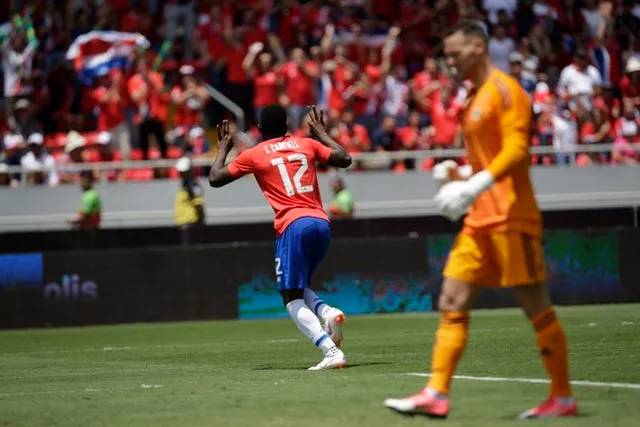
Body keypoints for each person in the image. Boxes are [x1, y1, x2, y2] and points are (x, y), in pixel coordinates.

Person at [384, 21, 577, 419]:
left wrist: (474, 186)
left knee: (535, 306)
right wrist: (458, 173)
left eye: (454, 53)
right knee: (451, 300)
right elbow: (487, 159)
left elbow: (518, 150)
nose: (449, 61)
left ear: (478, 47)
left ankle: (562, 397)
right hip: (480, 219)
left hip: (511, 215)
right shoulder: (473, 96)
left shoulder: (506, 90)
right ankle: (436, 394)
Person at [208, 105, 352, 370]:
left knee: (290, 297)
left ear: (260, 130)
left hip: (292, 224)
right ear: (287, 124)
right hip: (321, 222)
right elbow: (344, 158)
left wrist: (223, 150)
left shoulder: (255, 154)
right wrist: (321, 132)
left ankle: (330, 350)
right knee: (298, 286)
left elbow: (215, 178)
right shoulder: (307, 144)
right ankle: (327, 312)